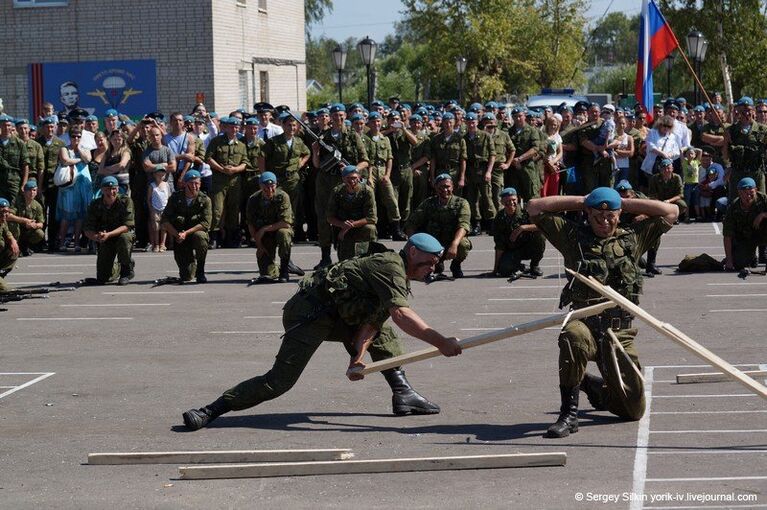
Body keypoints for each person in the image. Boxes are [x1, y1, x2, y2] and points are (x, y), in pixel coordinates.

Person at [181, 232, 462, 431]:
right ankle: (211, 410)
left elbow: (372, 324)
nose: (433, 268)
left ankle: (403, 394)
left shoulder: (396, 276)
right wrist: (441, 343)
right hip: (309, 313)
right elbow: (402, 315)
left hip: (340, 315)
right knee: (280, 381)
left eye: (436, 263)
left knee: (384, 334)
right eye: (430, 261)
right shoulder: (390, 268)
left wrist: (357, 359)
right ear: (412, 251)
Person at [527, 187, 678, 438]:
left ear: (619, 215)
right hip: (585, 321)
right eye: (598, 216)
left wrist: (622, 203)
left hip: (619, 331)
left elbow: (671, 211)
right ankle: (569, 414)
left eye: (611, 216)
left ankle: (594, 386)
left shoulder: (632, 238)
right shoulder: (571, 236)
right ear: (587, 214)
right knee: (571, 336)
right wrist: (584, 200)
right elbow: (534, 206)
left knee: (633, 410)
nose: (604, 221)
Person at [311, 103, 368, 269]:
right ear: (330, 117)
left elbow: (365, 161)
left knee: (344, 218)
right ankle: (325, 257)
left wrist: (352, 170)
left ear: (345, 116)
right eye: (335, 116)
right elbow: (317, 165)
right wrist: (315, 151)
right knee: (323, 219)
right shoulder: (323, 137)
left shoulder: (352, 136)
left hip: (345, 184)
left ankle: (346, 255)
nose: (338, 118)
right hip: (325, 182)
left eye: (341, 115)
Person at [406, 173, 471, 278]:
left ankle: (456, 265)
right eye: (441, 187)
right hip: (433, 242)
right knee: (436, 270)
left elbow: (463, 225)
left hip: (452, 240)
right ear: (435, 188)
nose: (445, 190)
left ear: (452, 187)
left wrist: (454, 245)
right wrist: (414, 243)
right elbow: (411, 223)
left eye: (447, 187)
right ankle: (435, 263)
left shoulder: (461, 203)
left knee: (463, 244)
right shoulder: (428, 203)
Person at [205, 116, 249, 248]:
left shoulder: (241, 144)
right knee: (217, 209)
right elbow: (208, 158)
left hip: (235, 181)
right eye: (231, 127)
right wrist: (221, 169)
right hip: (219, 180)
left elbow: (245, 163)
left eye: (236, 127)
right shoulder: (216, 141)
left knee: (234, 209)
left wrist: (235, 169)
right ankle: (214, 237)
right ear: (225, 127)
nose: (234, 129)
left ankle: (231, 237)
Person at [161, 170, 211, 283]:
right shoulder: (175, 198)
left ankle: (200, 271)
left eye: (197, 183)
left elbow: (205, 223)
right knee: (187, 276)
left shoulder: (205, 200)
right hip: (179, 238)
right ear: (185, 184)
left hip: (193, 234)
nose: (194, 186)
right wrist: (175, 234)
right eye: (191, 183)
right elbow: (164, 219)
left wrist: (186, 233)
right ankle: (190, 263)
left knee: (201, 237)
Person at [83, 176, 135, 285]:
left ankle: (126, 272)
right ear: (102, 190)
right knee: (103, 278)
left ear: (117, 189)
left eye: (113, 189)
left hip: (121, 235)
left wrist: (109, 234)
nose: (111, 192)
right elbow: (87, 228)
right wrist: (96, 237)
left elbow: (127, 226)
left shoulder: (125, 201)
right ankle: (118, 267)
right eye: (107, 189)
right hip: (104, 239)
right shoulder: (95, 204)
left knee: (124, 238)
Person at [246, 171, 294, 283]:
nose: (269, 190)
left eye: (272, 186)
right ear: (260, 186)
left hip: (278, 230)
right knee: (267, 275)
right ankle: (279, 268)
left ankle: (285, 269)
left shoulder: (282, 196)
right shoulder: (253, 199)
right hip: (265, 237)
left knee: (284, 233)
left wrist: (264, 229)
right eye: (266, 188)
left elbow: (286, 223)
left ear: (276, 185)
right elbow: (250, 224)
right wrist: (259, 246)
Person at [491, 187, 545, 278]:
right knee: (504, 270)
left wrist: (523, 228)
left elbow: (542, 226)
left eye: (513, 200)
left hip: (529, 247)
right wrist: (496, 269)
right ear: (502, 202)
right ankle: (521, 267)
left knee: (540, 236)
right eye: (507, 201)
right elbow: (499, 245)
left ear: (518, 199)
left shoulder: (527, 211)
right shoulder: (499, 218)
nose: (511, 203)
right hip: (513, 250)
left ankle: (534, 265)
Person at [327, 165, 377, 261]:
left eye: (354, 178)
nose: (352, 181)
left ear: (359, 178)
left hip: (360, 227)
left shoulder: (367, 192)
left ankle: (370, 254)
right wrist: (342, 225)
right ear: (343, 179)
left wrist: (350, 226)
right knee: (345, 262)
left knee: (370, 228)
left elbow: (372, 218)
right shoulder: (337, 192)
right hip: (342, 228)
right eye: (348, 178)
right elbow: (330, 217)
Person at [56, 128, 92, 252]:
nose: (76, 139)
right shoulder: (64, 148)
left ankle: (77, 243)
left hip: (83, 184)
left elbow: (88, 159)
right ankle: (62, 242)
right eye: (73, 136)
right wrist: (78, 160)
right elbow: (65, 160)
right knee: (66, 215)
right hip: (70, 186)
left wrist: (79, 150)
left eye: (78, 136)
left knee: (80, 215)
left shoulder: (85, 148)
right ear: (69, 137)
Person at [722, 177, 767, 271]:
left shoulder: (763, 199)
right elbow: (727, 235)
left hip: (763, 234)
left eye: (751, 192)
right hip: (746, 238)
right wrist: (729, 261)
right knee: (738, 263)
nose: (748, 196)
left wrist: (763, 214)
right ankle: (751, 257)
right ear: (739, 192)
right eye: (744, 193)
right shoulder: (733, 208)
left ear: (756, 190)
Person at [463, 112, 496, 235]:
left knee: (487, 198)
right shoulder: (464, 138)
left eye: (473, 122)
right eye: (469, 122)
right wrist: (464, 174)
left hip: (483, 170)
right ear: (466, 123)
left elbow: (492, 155)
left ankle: (492, 223)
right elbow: (463, 158)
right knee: (472, 199)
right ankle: (476, 224)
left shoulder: (485, 136)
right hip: (471, 171)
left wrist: (489, 171)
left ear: (477, 122)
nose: (471, 125)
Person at [508, 107, 545, 201]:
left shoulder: (532, 131)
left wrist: (520, 159)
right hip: (512, 169)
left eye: (520, 116)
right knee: (513, 195)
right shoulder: (509, 131)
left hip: (527, 167)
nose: (518, 118)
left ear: (524, 116)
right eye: (515, 116)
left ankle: (533, 216)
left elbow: (535, 148)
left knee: (532, 196)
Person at [7, 180, 45, 256]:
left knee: (40, 233)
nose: (32, 192)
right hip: (18, 228)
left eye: (34, 190)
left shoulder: (37, 206)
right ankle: (14, 246)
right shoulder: (16, 201)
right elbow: (8, 216)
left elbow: (41, 223)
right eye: (29, 190)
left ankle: (26, 246)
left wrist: (34, 225)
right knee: (12, 225)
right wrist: (25, 221)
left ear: (36, 192)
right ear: (24, 191)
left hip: (28, 230)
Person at [0, 114, 30, 205]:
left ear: (12, 127)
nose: (6, 128)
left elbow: (25, 165)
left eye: (8, 125)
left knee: (15, 207)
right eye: (4, 125)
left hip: (14, 182)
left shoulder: (19, 143)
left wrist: (24, 184)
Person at [147, 167, 170, 252]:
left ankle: (162, 244)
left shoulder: (166, 184)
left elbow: (169, 197)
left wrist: (168, 209)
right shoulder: (152, 186)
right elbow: (148, 199)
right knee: (156, 227)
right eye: (158, 174)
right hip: (155, 209)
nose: (160, 176)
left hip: (165, 209)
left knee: (164, 227)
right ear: (154, 175)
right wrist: (151, 209)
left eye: (162, 174)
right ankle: (156, 244)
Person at [0, 197, 19, 292]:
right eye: (2, 212)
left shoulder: (2, 221)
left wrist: (12, 240)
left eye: (6, 211)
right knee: (5, 289)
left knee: (14, 251)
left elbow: (6, 231)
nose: (4, 214)